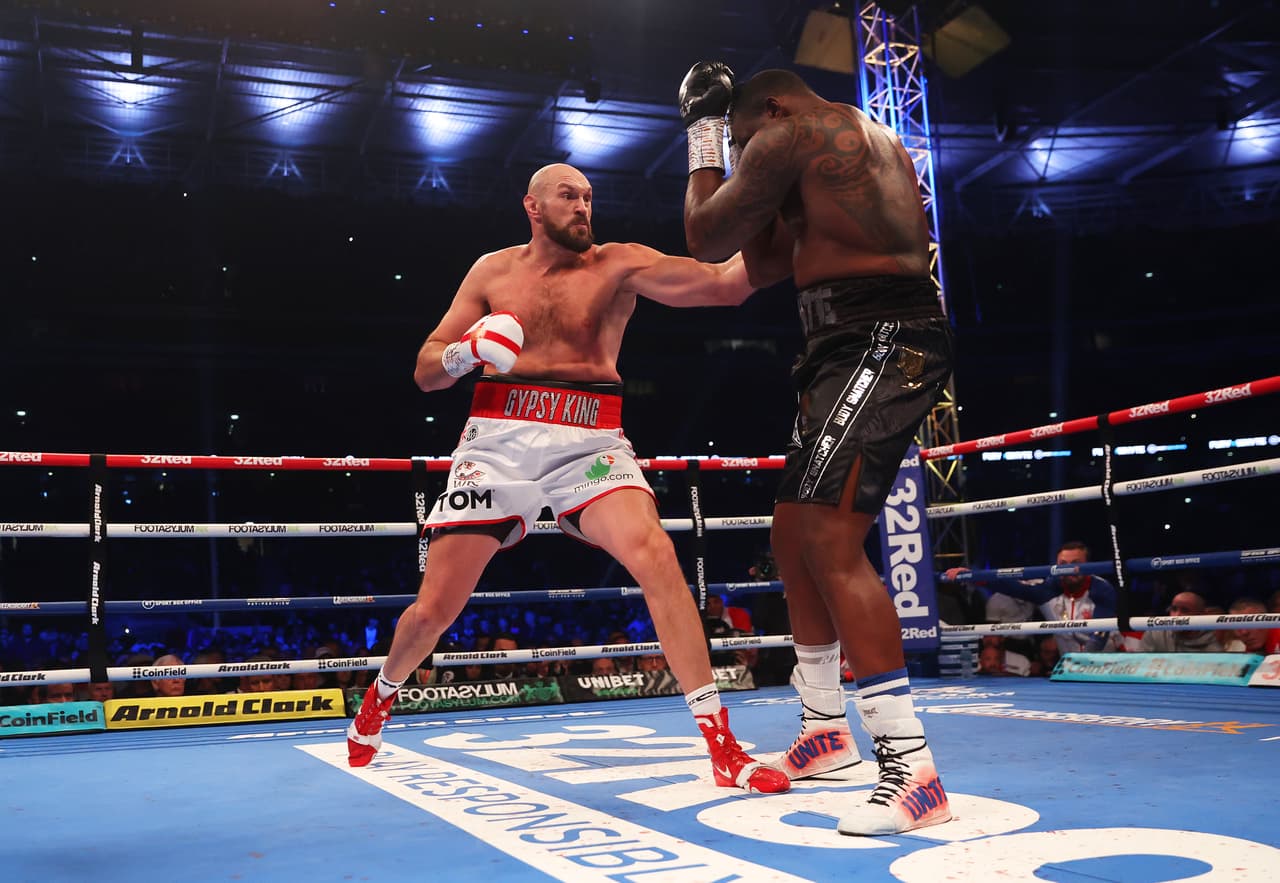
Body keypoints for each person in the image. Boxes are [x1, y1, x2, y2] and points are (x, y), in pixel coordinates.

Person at [344, 162, 789, 796]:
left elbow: (724, 283)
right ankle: (383, 695)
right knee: (433, 610)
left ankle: (721, 743)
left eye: (588, 197)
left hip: (590, 438)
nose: (583, 207)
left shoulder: (618, 264)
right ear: (532, 206)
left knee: (658, 555)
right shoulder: (491, 272)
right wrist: (464, 354)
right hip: (496, 442)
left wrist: (786, 219)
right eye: (568, 196)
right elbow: (425, 371)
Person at [678, 64, 954, 834]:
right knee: (793, 537)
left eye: (741, 138)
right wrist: (744, 171)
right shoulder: (867, 140)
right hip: (841, 343)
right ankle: (826, 727)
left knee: (831, 537)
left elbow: (706, 234)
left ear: (768, 107)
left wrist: (702, 131)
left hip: (883, 338)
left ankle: (912, 768)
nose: (741, 152)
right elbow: (764, 261)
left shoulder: (792, 130)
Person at [944, 541, 1118, 656]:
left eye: (1075, 563)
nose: (1069, 569)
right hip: (1071, 669)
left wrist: (1083, 664)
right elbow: (1012, 586)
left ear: (1087, 564)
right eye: (1063, 564)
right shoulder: (1048, 589)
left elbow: (1099, 634)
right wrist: (974, 576)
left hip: (1106, 666)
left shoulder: (1101, 589)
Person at [1139, 591, 1220, 652]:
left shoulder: (1212, 646)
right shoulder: (1154, 633)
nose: (1177, 616)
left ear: (1200, 615)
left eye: (1185, 610)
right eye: (1174, 609)